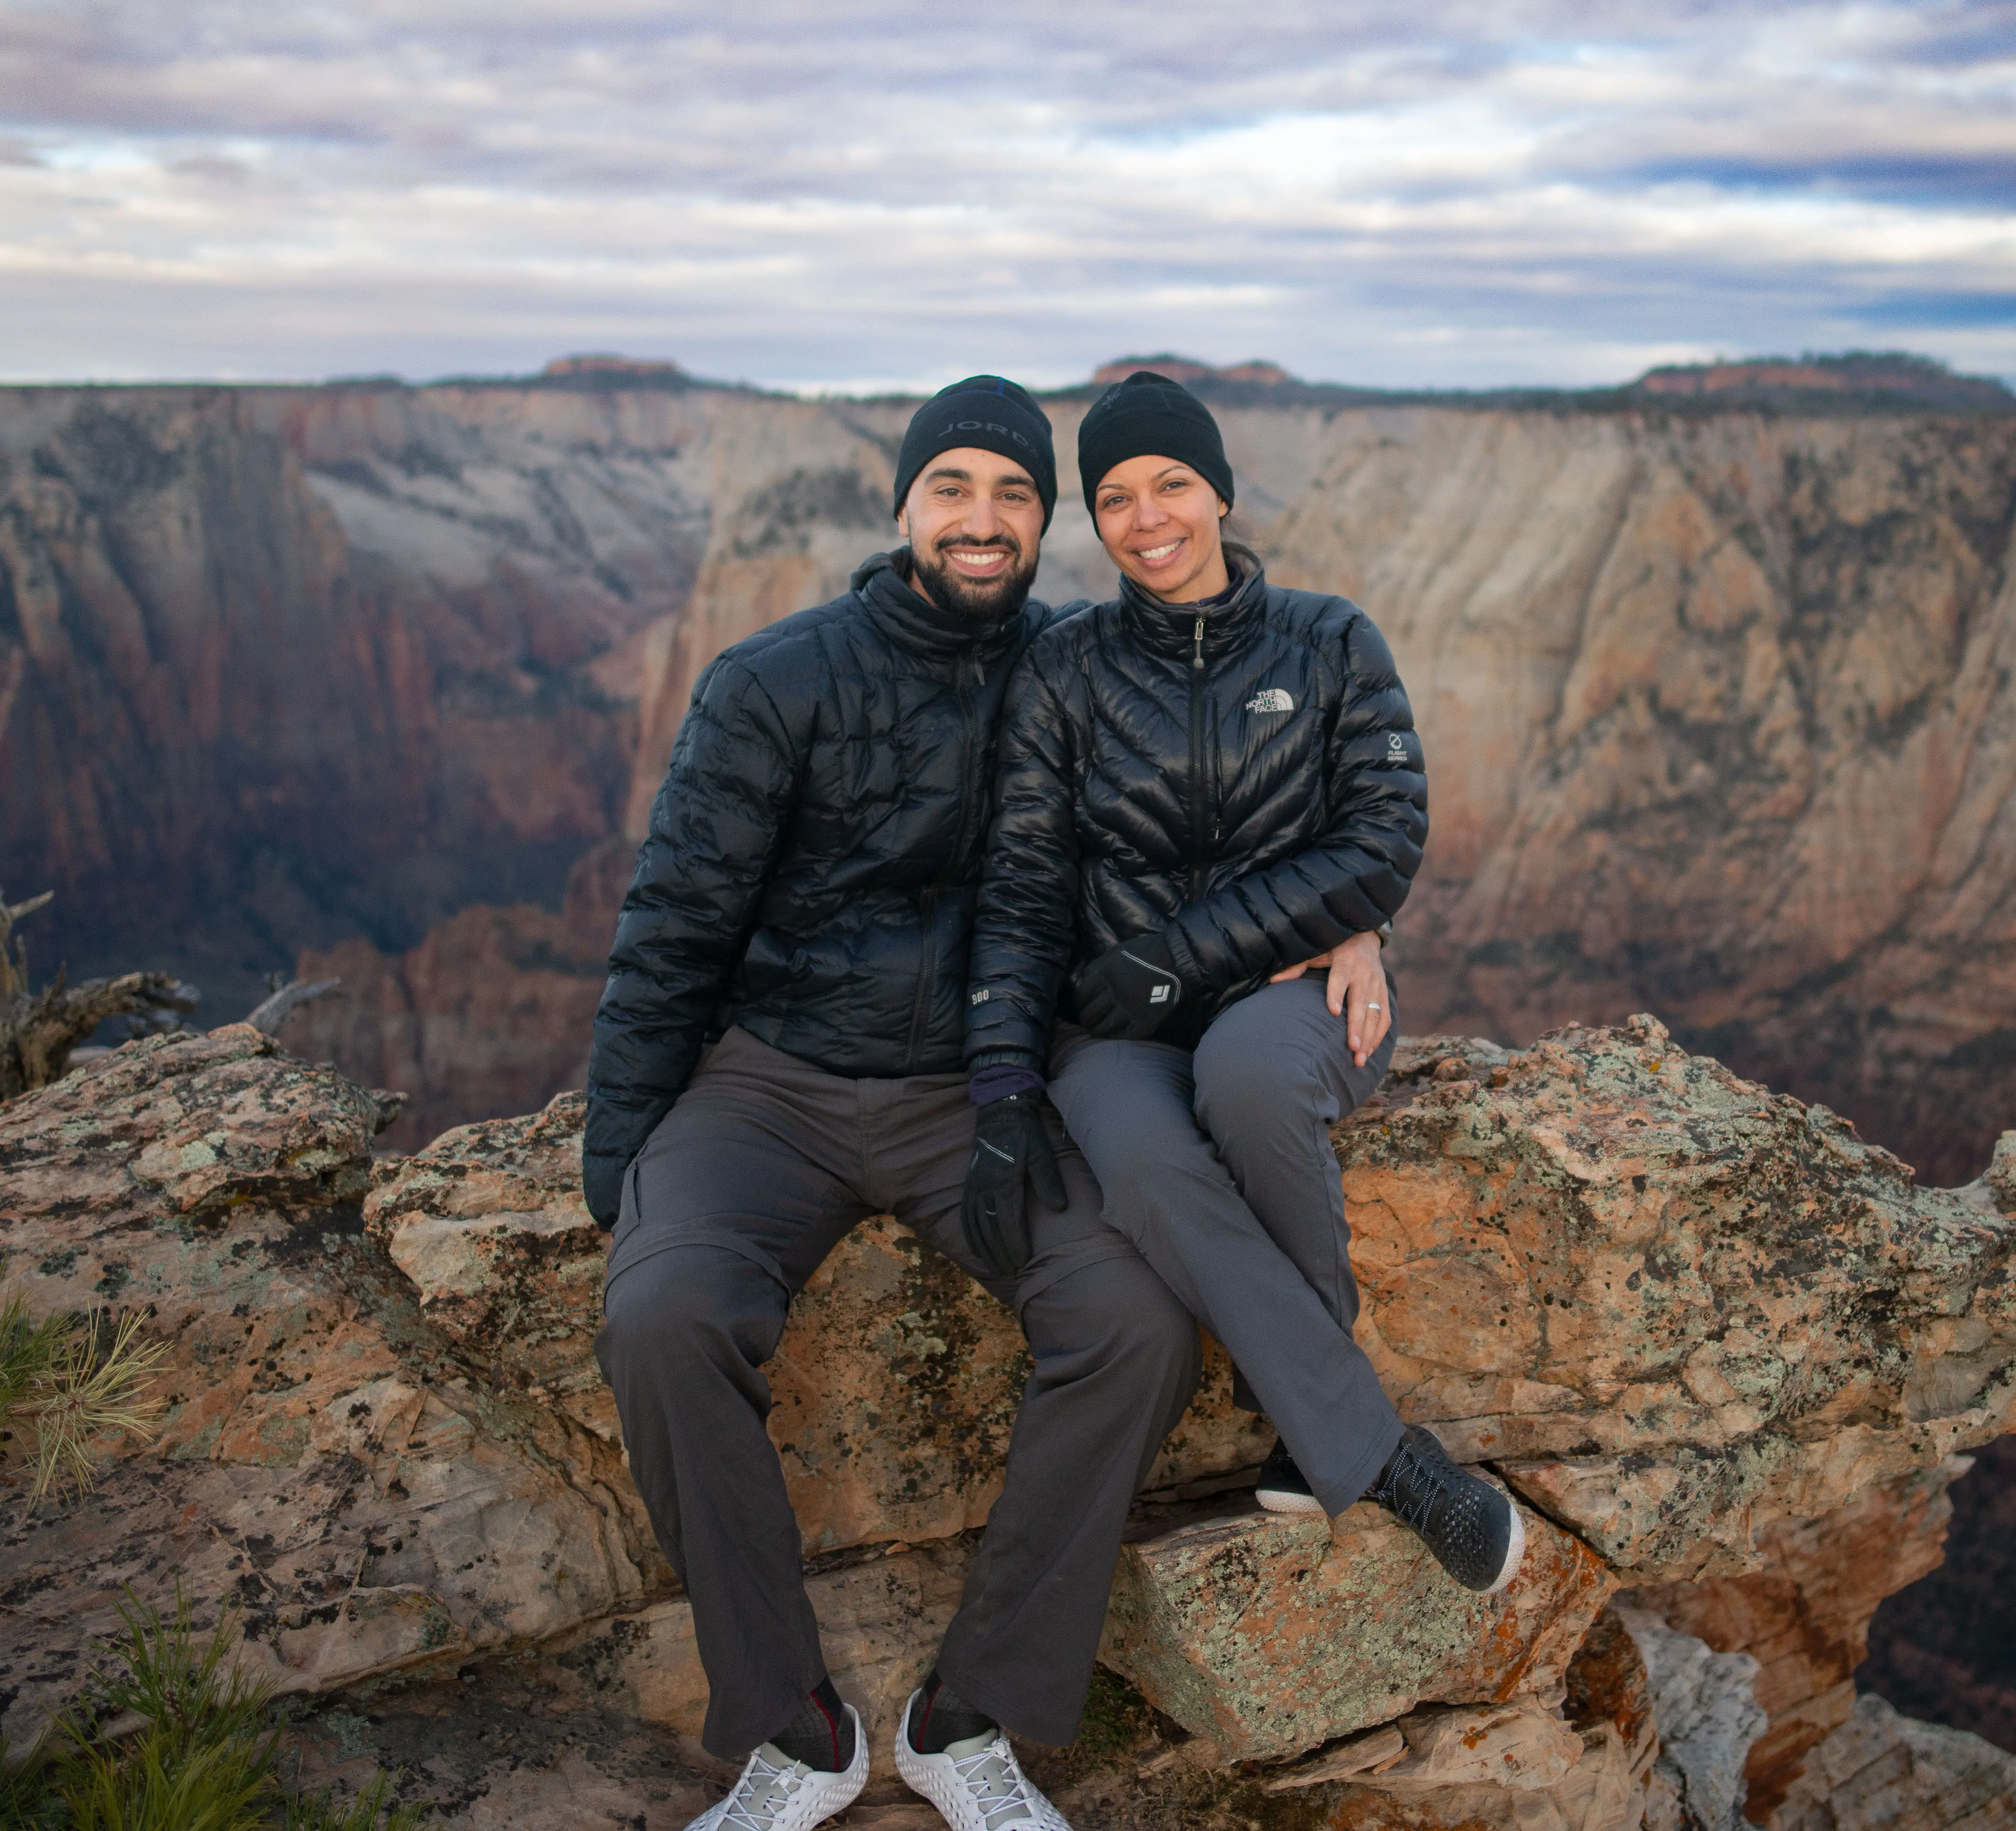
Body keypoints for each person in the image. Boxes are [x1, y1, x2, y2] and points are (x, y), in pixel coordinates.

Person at [585, 376, 1200, 1831]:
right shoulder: (774, 679)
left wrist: (1352, 927)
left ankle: (965, 1714)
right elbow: (673, 922)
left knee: (1133, 1325)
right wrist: (621, 1159)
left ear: (1044, 524)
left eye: (1013, 496)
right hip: (770, 1087)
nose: (981, 522)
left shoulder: (1084, 670)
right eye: (954, 488)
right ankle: (793, 1729)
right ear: (905, 503)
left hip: (982, 1096)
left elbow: (1235, 816)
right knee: (662, 1317)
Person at [961, 369, 1526, 1602]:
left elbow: (1381, 838)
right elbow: (1017, 881)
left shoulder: (1329, 642)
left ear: (1217, 491)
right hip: (1107, 1021)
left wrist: (1210, 947)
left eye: (1171, 483)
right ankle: (1373, 1453)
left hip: (1285, 995)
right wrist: (1003, 1074)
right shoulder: (1065, 668)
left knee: (1251, 1079)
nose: (1147, 516)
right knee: (1146, 1162)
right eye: (1113, 498)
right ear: (1093, 523)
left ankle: (1323, 1427)